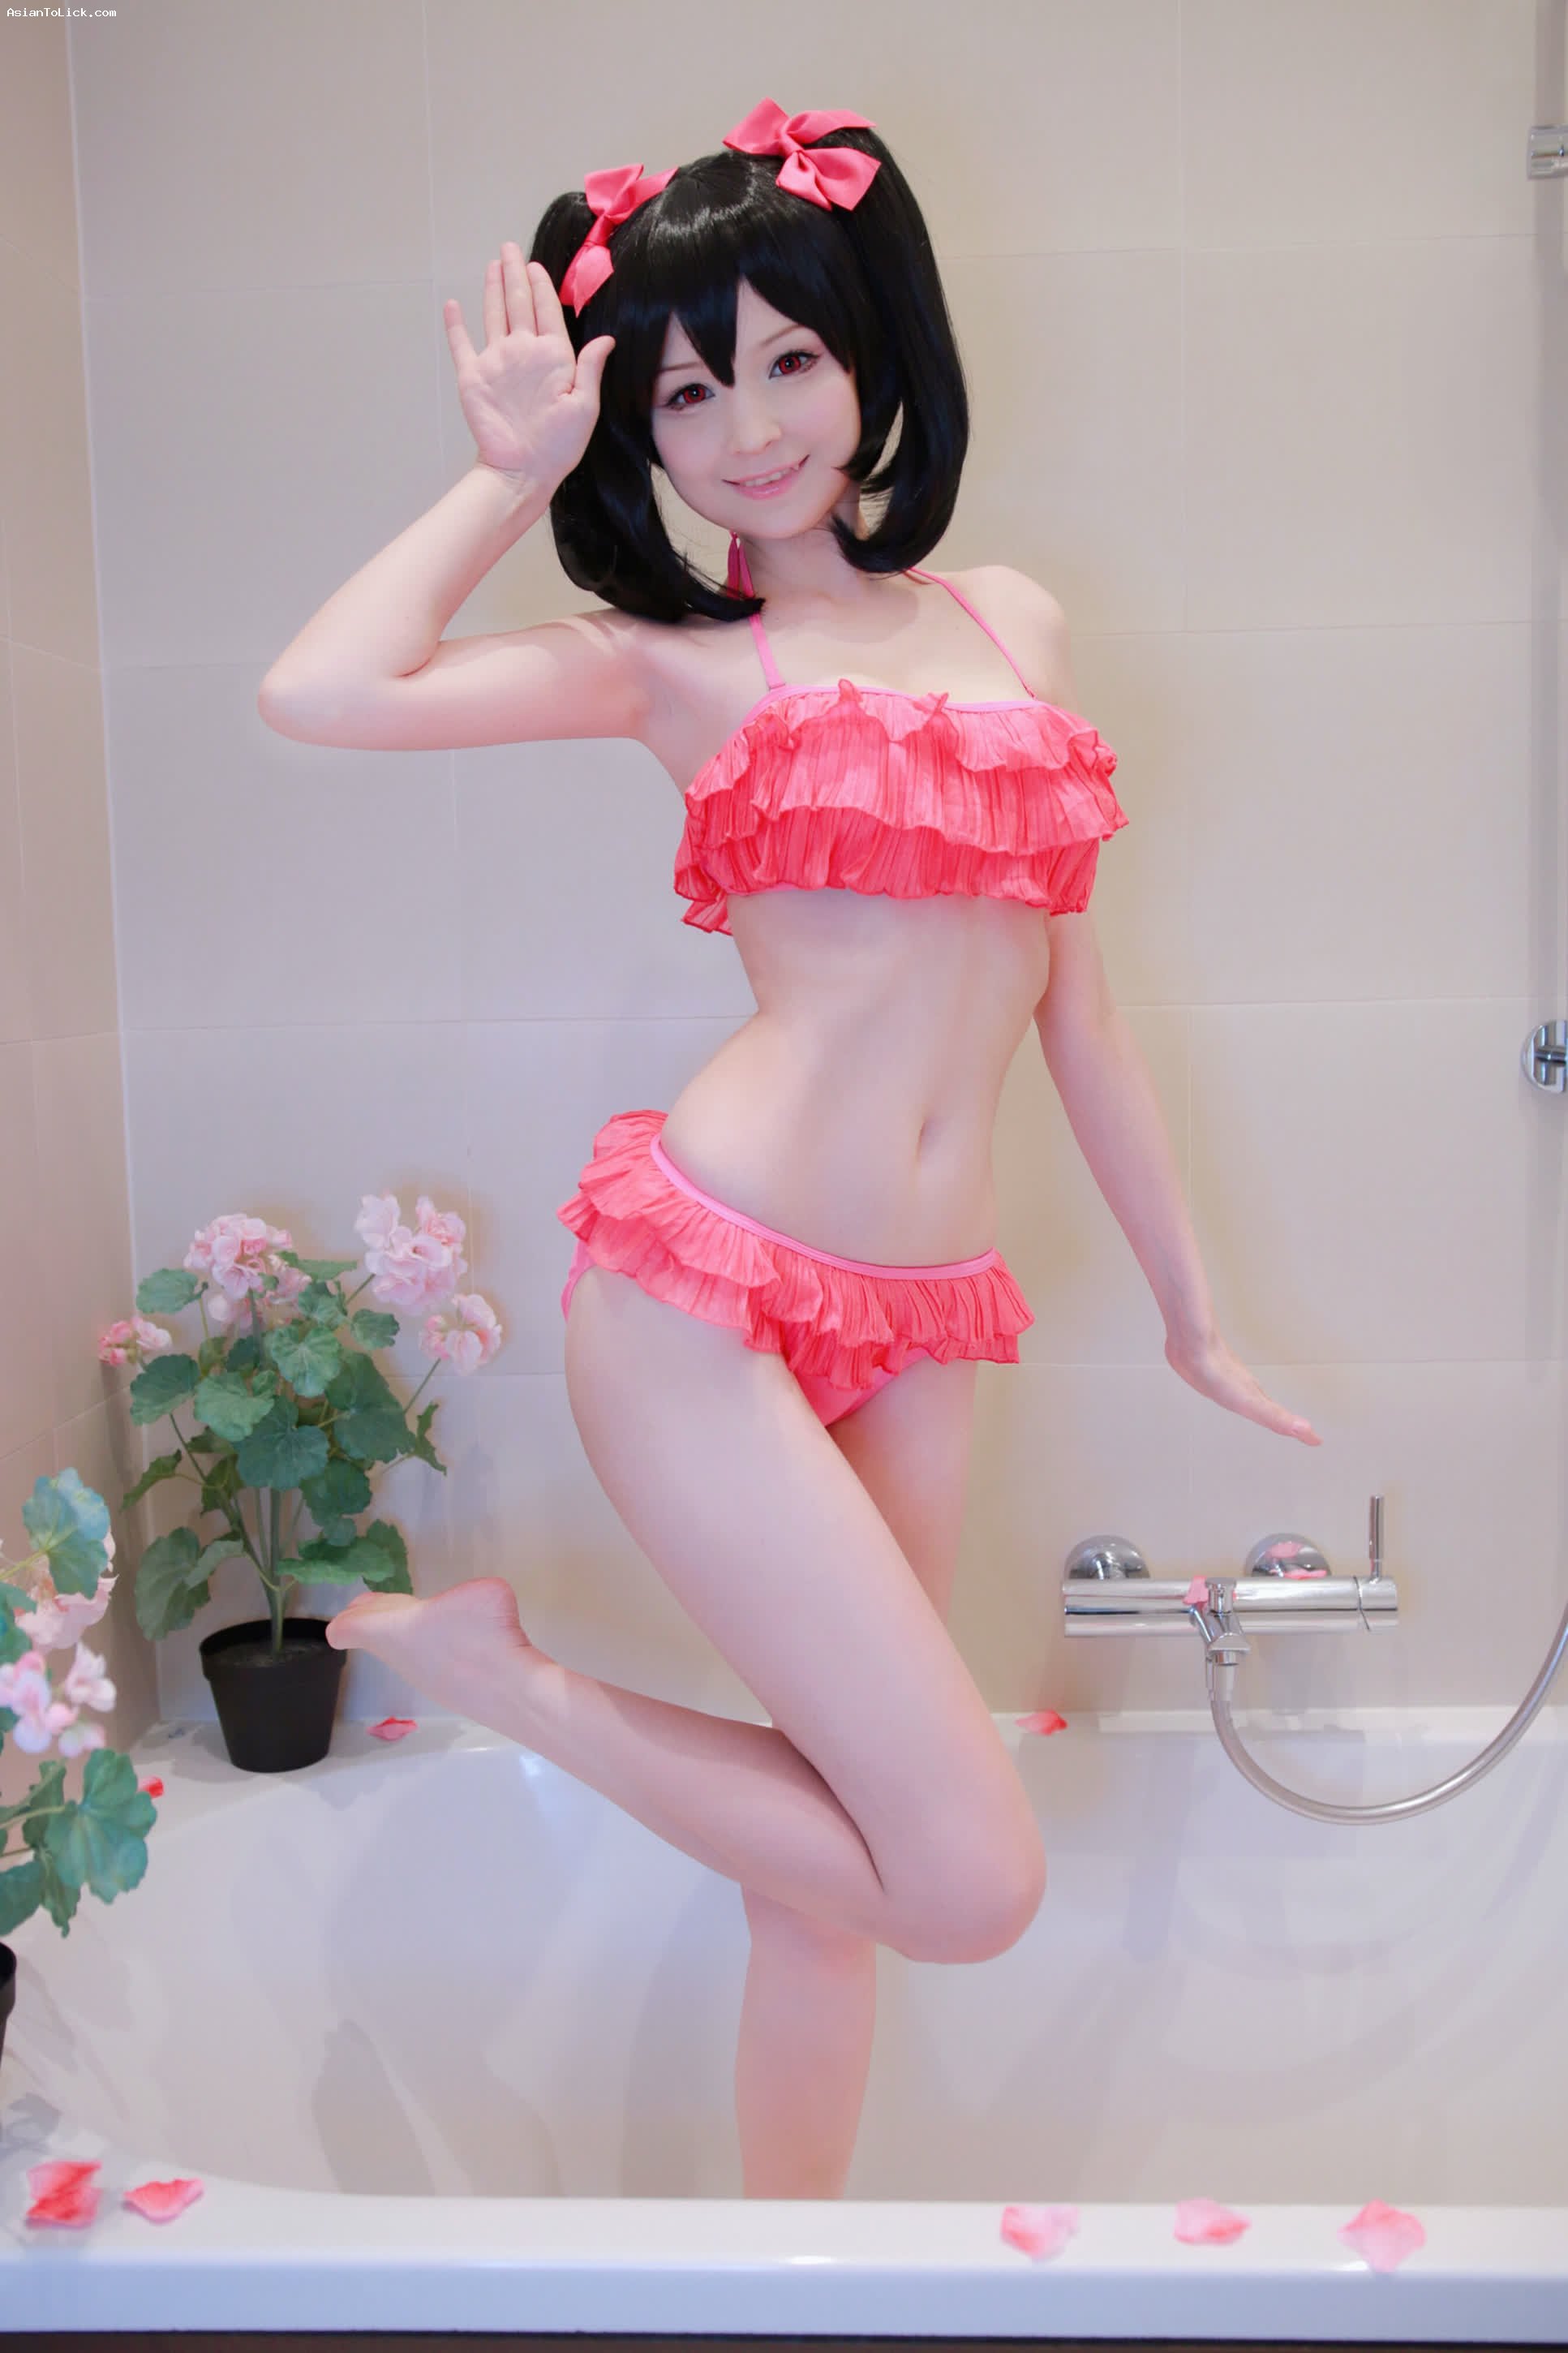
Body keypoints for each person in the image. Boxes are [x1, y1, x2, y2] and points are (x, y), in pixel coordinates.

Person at [259, 100, 1322, 2200]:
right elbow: (322, 688)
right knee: (969, 1882)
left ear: (869, 355)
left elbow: (1076, 1013)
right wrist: (505, 477)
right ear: (634, 434)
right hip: (705, 1301)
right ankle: (513, 1686)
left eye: (788, 359)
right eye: (682, 391)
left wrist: (1194, 1308)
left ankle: (783, 2276)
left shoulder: (1015, 626)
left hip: (923, 1312)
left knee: (829, 1881)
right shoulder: (674, 667)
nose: (746, 427)